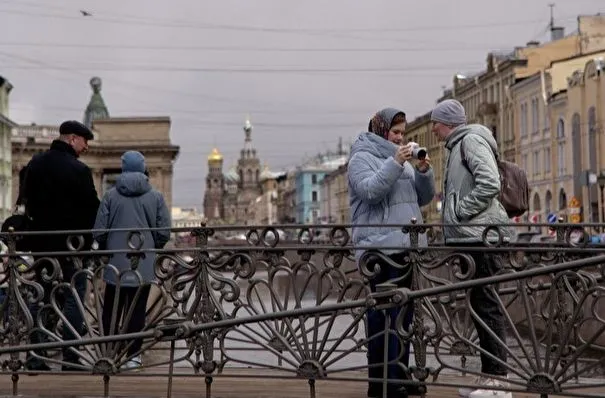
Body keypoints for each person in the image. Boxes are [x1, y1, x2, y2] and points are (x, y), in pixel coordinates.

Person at [348, 108, 435, 398]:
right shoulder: (361, 157)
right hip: (379, 248)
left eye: (403, 133)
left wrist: (424, 173)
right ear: (381, 130)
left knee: (404, 315)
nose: (401, 138)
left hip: (405, 247)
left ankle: (399, 375)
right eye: (396, 132)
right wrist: (395, 162)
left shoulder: (403, 162)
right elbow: (370, 191)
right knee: (383, 316)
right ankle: (380, 382)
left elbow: (423, 199)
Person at [431, 99, 511, 398]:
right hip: (472, 237)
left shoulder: (471, 141)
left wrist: (462, 211)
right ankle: (489, 377)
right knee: (480, 307)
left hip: (482, 237)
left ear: (447, 122)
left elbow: (490, 182)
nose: (433, 130)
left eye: (436, 123)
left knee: (487, 305)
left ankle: (499, 382)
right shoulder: (457, 145)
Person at [23, 120, 100, 371]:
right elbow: (92, 211)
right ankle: (70, 357)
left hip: (42, 246)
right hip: (71, 247)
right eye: (84, 141)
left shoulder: (35, 164)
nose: (86, 147)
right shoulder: (78, 170)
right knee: (73, 298)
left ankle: (35, 356)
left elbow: (28, 204)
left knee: (40, 295)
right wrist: (89, 243)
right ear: (72, 139)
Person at [93, 151, 171, 370]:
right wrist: (152, 247)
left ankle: (109, 352)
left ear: (123, 168)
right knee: (137, 310)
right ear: (144, 167)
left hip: (115, 264)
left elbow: (99, 231)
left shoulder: (110, 195)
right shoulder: (155, 196)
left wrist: (108, 247)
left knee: (111, 309)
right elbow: (164, 231)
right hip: (143, 261)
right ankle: (133, 356)